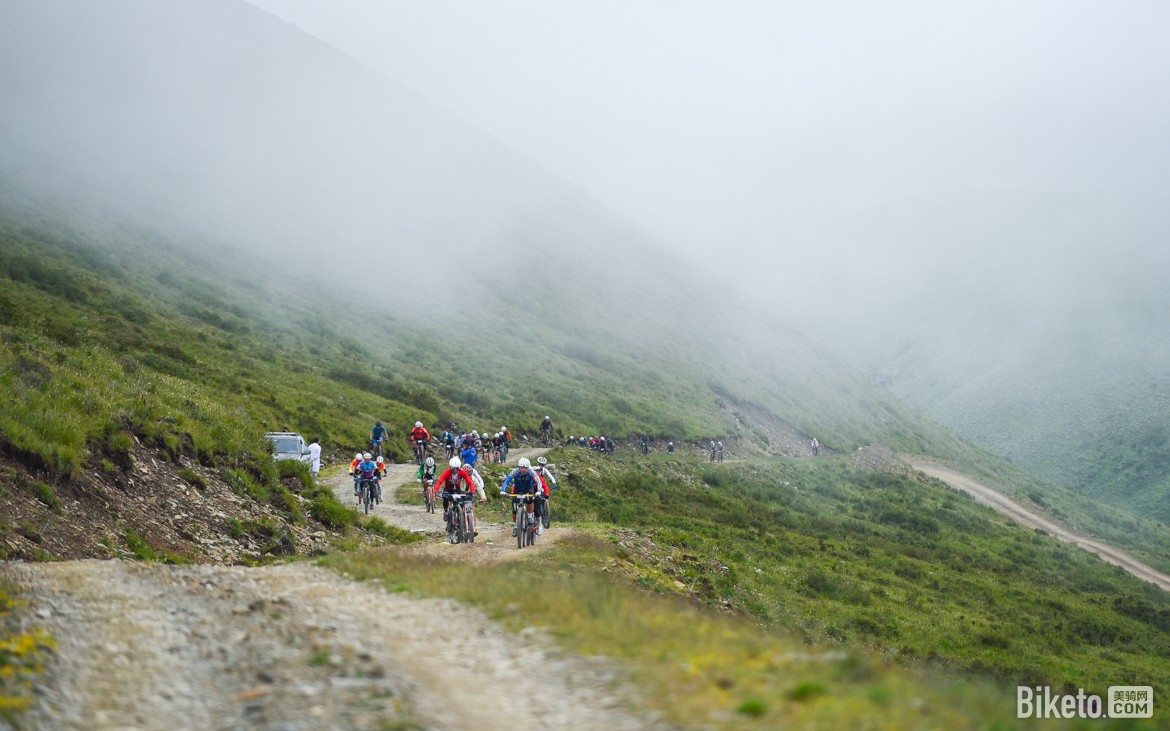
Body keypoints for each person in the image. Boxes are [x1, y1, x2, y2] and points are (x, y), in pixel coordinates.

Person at [436, 457, 480, 538]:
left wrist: (473, 492)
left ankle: (461, 519)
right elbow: (439, 481)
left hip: (457, 490)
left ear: (459, 468)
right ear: (450, 467)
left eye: (456, 468)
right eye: (453, 468)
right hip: (448, 489)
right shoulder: (447, 472)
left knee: (462, 503)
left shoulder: (462, 472)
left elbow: (470, 482)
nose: (455, 470)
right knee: (445, 499)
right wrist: (437, 491)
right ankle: (446, 511)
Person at [501, 457, 544, 535]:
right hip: (517, 489)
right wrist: (502, 490)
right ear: (519, 467)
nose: (523, 469)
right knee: (514, 507)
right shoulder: (514, 471)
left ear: (528, 467)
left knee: (530, 499)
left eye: (525, 468)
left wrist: (538, 491)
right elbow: (507, 481)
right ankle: (515, 526)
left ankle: (530, 516)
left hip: (528, 488)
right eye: (522, 468)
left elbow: (538, 481)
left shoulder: (531, 472)